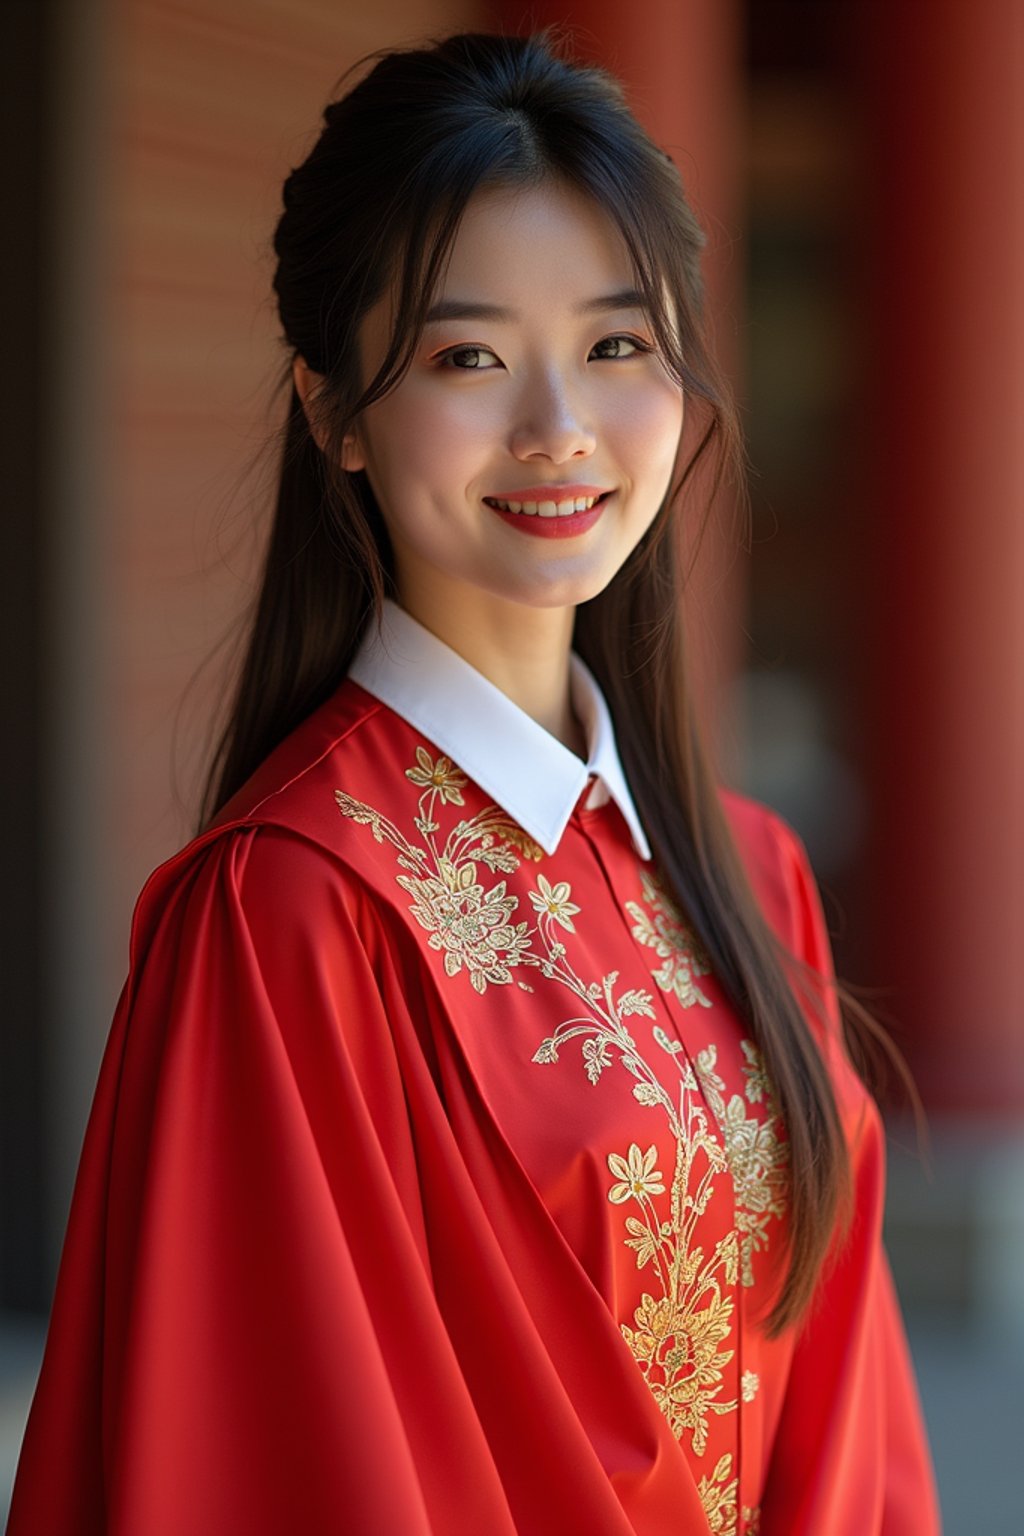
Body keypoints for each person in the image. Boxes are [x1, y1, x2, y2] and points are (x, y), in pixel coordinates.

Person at [8, 30, 940, 1536]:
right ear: (333, 411)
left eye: (617, 345)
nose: (557, 427)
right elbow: (284, 1473)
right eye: (468, 356)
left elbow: (854, 1433)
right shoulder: (294, 916)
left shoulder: (747, 876)